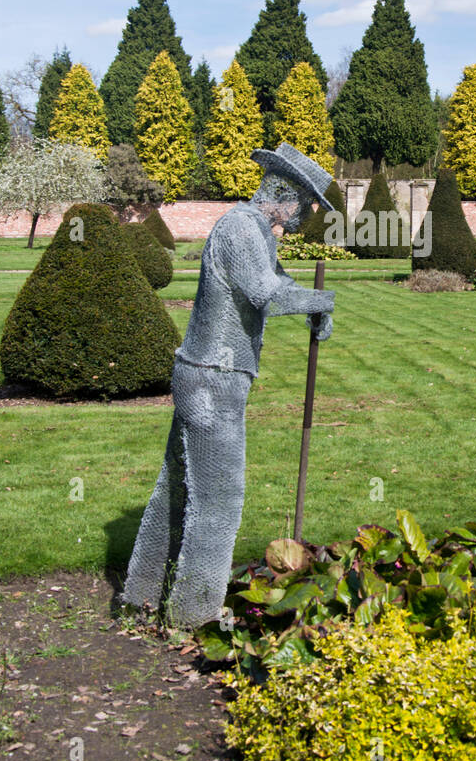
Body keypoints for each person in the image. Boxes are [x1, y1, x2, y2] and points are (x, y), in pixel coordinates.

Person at [122, 142, 336, 628]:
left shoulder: (259, 232)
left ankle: (141, 597)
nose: (309, 215)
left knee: (176, 489)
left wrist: (315, 310)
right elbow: (266, 294)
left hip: (211, 375)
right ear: (284, 193)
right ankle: (195, 616)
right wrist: (325, 299)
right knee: (220, 499)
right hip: (213, 380)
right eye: (307, 204)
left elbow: (279, 281)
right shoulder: (241, 227)